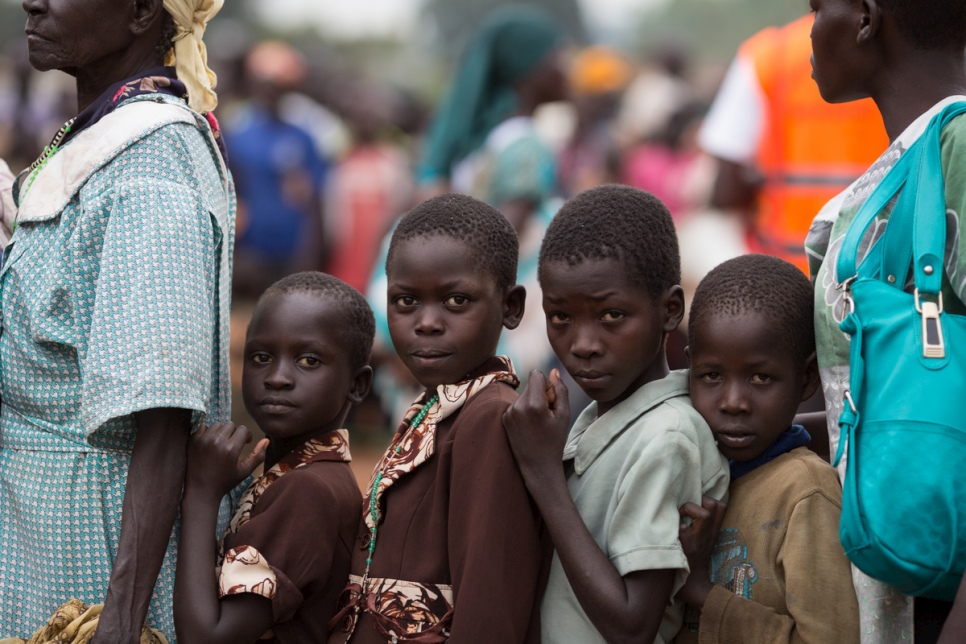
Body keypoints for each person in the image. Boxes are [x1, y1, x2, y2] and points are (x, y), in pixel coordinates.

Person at [0, 0, 232, 641]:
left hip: (90, 546)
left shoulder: (151, 165)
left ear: (137, 13)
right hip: (35, 533)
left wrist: (121, 620)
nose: (33, 1)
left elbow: (162, 416)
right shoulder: (93, 136)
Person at [503, 185, 730, 643]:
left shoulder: (668, 436)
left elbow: (632, 626)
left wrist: (543, 474)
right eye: (560, 317)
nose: (583, 344)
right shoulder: (600, 420)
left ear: (669, 311)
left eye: (611, 316)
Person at [804, 0, 966, 641]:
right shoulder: (917, 160)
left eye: (817, 7)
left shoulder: (958, 150)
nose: (809, 30)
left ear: (867, 17)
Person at [328, 194, 543, 643]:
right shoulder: (438, 406)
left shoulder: (489, 418)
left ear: (511, 306)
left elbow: (490, 611)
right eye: (406, 301)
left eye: (456, 300)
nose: (427, 323)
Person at [174, 272, 372, 643]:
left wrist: (201, 495)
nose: (277, 377)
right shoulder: (305, 475)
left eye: (309, 361)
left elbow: (205, 638)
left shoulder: (309, 490)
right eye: (262, 357)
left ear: (357, 385)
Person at [675, 254, 859, 643]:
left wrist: (701, 591)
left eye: (761, 377)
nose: (733, 402)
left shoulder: (805, 492)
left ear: (806, 378)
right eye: (712, 376)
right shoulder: (686, 469)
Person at [699, 13, 888, 273]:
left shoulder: (768, 56)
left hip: (786, 279)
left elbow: (726, 193)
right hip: (883, 275)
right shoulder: (906, 47)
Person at [227, 41, 328, 299]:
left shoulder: (304, 138)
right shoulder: (238, 135)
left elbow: (315, 203)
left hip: (291, 254)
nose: (270, 92)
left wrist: (308, 257)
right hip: (250, 254)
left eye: (278, 86)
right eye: (264, 84)